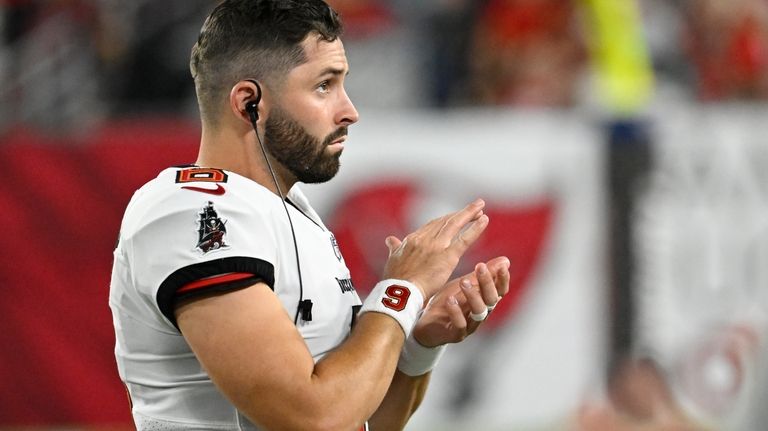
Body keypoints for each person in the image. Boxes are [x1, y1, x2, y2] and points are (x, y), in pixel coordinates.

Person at [108, 1, 510, 430]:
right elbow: (313, 417)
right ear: (249, 103)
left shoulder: (295, 214)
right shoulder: (193, 211)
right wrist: (403, 288)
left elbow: (363, 420)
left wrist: (418, 342)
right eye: (324, 86)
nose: (349, 110)